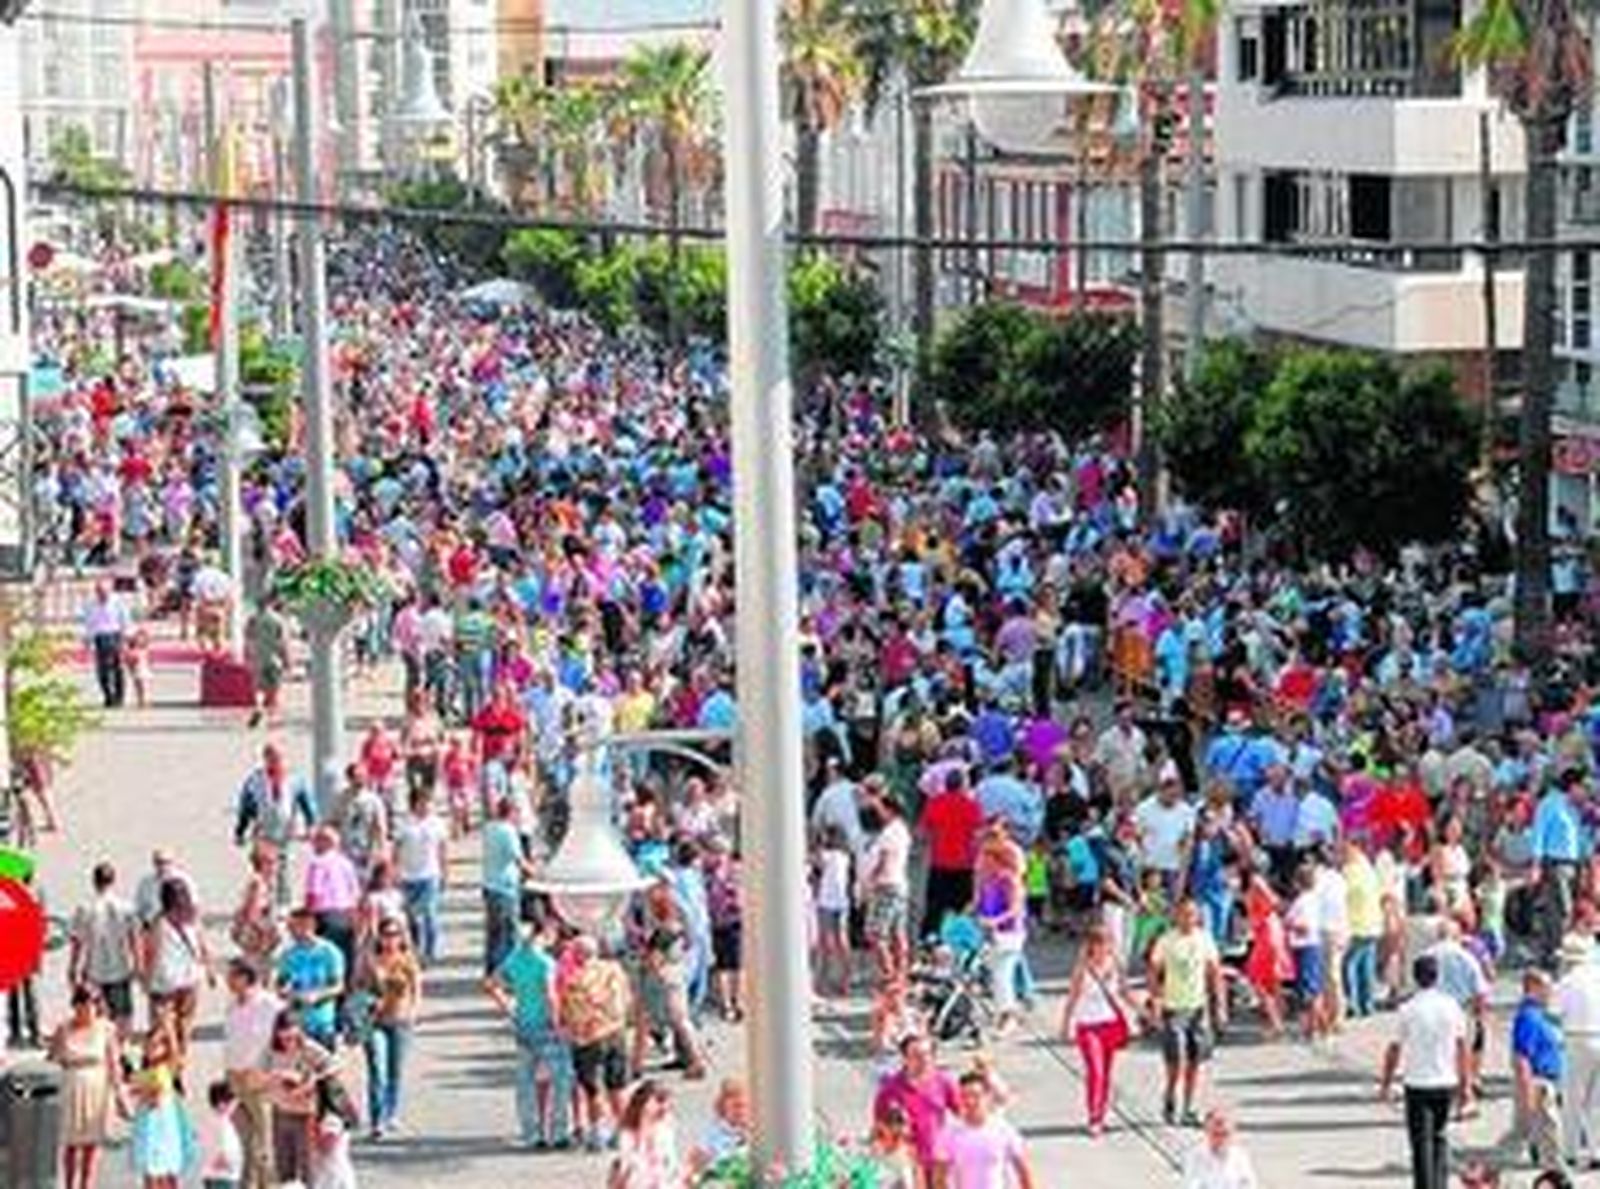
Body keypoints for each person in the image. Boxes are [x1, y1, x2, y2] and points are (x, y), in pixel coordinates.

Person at [1379, 954, 1471, 1189]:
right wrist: (1466, 1084)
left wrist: (1386, 1082)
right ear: (1437, 977)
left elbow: (1394, 1048)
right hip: (1446, 1080)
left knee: (1421, 1144)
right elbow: (1462, 1047)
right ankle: (1440, 1184)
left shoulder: (1408, 1009)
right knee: (1440, 1137)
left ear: (1415, 977)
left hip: (1418, 1082)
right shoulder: (1451, 1006)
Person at [486, 918, 575, 1151]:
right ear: (544, 934)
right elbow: (550, 994)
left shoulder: (515, 958)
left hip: (523, 1023)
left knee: (526, 1080)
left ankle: (532, 1132)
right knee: (561, 1079)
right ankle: (558, 1131)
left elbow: (492, 984)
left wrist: (509, 1007)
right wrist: (558, 1023)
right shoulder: (545, 962)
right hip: (546, 1025)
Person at [1148, 898, 1226, 1126]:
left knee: (1194, 1060)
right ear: (1176, 916)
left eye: (1192, 914)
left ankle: (1188, 1107)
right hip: (1173, 1008)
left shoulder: (1205, 939)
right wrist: (1156, 1000)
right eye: (1183, 914)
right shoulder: (1166, 940)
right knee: (1176, 1061)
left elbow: (1215, 972)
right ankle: (1170, 1095)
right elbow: (1154, 971)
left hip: (1197, 1008)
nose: (1188, 919)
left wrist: (1220, 1005)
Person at [1059, 921, 1138, 1136]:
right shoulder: (1082, 969)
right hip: (1088, 1027)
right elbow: (1072, 998)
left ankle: (1101, 1114)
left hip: (1110, 1025)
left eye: (1107, 943)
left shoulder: (1116, 965)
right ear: (1090, 945)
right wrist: (1065, 1024)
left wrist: (1143, 1012)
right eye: (1098, 943)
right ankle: (1094, 1117)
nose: (1103, 948)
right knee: (1096, 1071)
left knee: (1106, 1073)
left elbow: (1125, 993)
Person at [559, 935, 634, 1152]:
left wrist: (569, 1030)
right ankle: (623, 1131)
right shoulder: (615, 970)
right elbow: (627, 998)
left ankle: (598, 1132)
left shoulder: (575, 981)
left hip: (589, 1038)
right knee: (618, 1087)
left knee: (593, 1089)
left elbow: (569, 1014)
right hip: (616, 1034)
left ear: (578, 955)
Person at [355, 916, 422, 1139]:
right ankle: (377, 1120)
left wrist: (413, 1013)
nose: (390, 939)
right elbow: (356, 986)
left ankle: (390, 1112)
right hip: (374, 1021)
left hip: (400, 1021)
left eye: (394, 934)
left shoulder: (407, 960)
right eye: (386, 934)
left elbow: (416, 989)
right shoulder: (370, 960)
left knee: (395, 1071)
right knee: (377, 1068)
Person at [50, 985, 122, 1189]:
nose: (90, 1009)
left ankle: (86, 1185)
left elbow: (114, 1063)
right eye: (85, 1004)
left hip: (96, 1090)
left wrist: (119, 1095)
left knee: (91, 1145)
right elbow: (52, 1060)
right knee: (71, 1145)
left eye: (94, 1003)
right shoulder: (63, 1028)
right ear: (76, 1006)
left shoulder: (106, 1029)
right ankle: (69, 1185)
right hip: (71, 1089)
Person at [221, 958, 282, 1189]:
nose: (227, 980)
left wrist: (268, 1072)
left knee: (265, 1143)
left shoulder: (270, 1005)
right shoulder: (232, 1005)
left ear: (246, 978)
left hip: (259, 1079)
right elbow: (231, 1043)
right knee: (245, 1141)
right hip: (235, 1079)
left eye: (232, 976)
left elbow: (284, 1041)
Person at [142, 876, 214, 1067]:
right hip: (191, 977)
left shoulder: (159, 921)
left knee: (165, 1023)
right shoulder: (192, 918)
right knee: (185, 1022)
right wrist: (210, 970)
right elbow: (203, 946)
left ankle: (170, 1058)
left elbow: (151, 952)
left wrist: (146, 978)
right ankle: (181, 1055)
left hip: (166, 980)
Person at [874, 1034, 962, 1182]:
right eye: (916, 1055)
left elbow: (964, 1114)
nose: (924, 1060)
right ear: (905, 1058)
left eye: (927, 1054)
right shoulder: (889, 1091)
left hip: (937, 1161)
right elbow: (879, 1130)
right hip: (907, 1165)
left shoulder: (943, 1081)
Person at [68, 861, 140, 1038]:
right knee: (122, 1015)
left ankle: (103, 1046)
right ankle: (121, 1046)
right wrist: (138, 963)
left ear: (94, 881)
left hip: (94, 970)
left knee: (97, 1015)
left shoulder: (84, 908)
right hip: (120, 967)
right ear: (113, 880)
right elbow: (134, 938)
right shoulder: (126, 907)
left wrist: (73, 967)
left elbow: (77, 941)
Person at [263, 1010, 335, 1186]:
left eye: (292, 1037)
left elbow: (334, 1065)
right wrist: (274, 1077)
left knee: (307, 1166)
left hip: (305, 1114)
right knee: (283, 1166)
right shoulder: (271, 1050)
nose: (288, 1042)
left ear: (299, 1032)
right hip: (280, 1112)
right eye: (284, 1037)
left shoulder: (308, 1048)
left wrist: (312, 1080)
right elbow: (259, 1075)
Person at [932, 1071, 1034, 1189]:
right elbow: (939, 1178)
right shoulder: (950, 1133)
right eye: (964, 1096)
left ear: (987, 1097)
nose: (970, 1101)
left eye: (976, 1096)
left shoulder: (1003, 1130)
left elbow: (1024, 1171)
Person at [1510, 967, 1565, 1170]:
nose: (1550, 992)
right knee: (1550, 1129)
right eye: (1547, 987)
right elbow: (1522, 1057)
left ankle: (1545, 1160)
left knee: (1547, 1129)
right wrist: (1527, 1091)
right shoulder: (1529, 1017)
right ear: (1533, 987)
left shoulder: (1538, 1014)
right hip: (1540, 1080)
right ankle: (1552, 1171)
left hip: (1547, 1078)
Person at [1530, 770, 1584, 970]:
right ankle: (1555, 952)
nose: (1585, 791)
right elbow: (1539, 833)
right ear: (1573, 786)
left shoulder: (1574, 808)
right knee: (1562, 909)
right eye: (1582, 787)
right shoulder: (1550, 803)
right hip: (1555, 863)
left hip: (1573, 863)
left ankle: (1552, 953)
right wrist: (1536, 865)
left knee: (1560, 910)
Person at [1555, 933, 1600, 1169]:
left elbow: (1555, 1010)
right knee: (1597, 1100)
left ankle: (1570, 1150)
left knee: (1573, 1098)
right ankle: (1596, 1151)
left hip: (1576, 1037)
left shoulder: (1567, 982)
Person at [275, 906, 346, 1051]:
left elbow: (338, 986)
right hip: (297, 1023)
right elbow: (280, 984)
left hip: (323, 1023)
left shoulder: (329, 952)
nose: (291, 931)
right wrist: (286, 992)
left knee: (324, 1062)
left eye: (295, 926)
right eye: (290, 927)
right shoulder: (288, 955)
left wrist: (317, 995)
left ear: (310, 925)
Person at [481, 795, 538, 977]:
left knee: (494, 933)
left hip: (489, 884)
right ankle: (509, 971)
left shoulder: (489, 828)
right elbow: (518, 860)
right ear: (511, 812)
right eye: (517, 812)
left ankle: (491, 969)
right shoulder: (508, 831)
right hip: (505, 887)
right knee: (510, 934)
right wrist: (536, 874)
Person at [394, 786, 449, 966]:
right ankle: (414, 949)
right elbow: (396, 849)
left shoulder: (437, 823)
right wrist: (394, 871)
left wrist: (445, 872)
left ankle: (430, 951)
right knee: (411, 917)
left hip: (429, 874)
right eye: (421, 802)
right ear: (413, 804)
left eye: (428, 802)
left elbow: (442, 849)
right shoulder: (404, 823)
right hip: (408, 876)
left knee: (429, 913)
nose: (425, 806)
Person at [608, 1080, 681, 1189]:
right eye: (659, 1100)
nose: (665, 1107)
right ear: (642, 1102)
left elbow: (672, 1170)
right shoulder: (628, 1136)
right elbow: (623, 1172)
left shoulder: (666, 1133)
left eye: (668, 1103)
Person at [1180, 1108, 1258, 1189]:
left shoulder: (1239, 1155)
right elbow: (1191, 1184)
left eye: (1225, 1134)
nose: (1220, 1139)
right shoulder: (1196, 1156)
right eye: (1215, 1134)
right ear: (1207, 1132)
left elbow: (1249, 1184)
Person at [83, 579, 130, 708]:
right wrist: (87, 639)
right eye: (99, 591)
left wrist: (125, 639)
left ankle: (119, 696)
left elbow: (124, 620)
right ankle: (108, 695)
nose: (103, 594)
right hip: (100, 637)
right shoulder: (90, 604)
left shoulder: (117, 602)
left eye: (105, 591)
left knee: (117, 668)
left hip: (115, 635)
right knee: (102, 669)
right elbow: (89, 622)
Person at [199, 1080, 244, 1189]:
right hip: (224, 1176)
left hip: (221, 1175)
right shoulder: (222, 1122)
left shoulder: (218, 1120)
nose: (235, 1106)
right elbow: (224, 1148)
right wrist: (224, 1158)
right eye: (232, 1102)